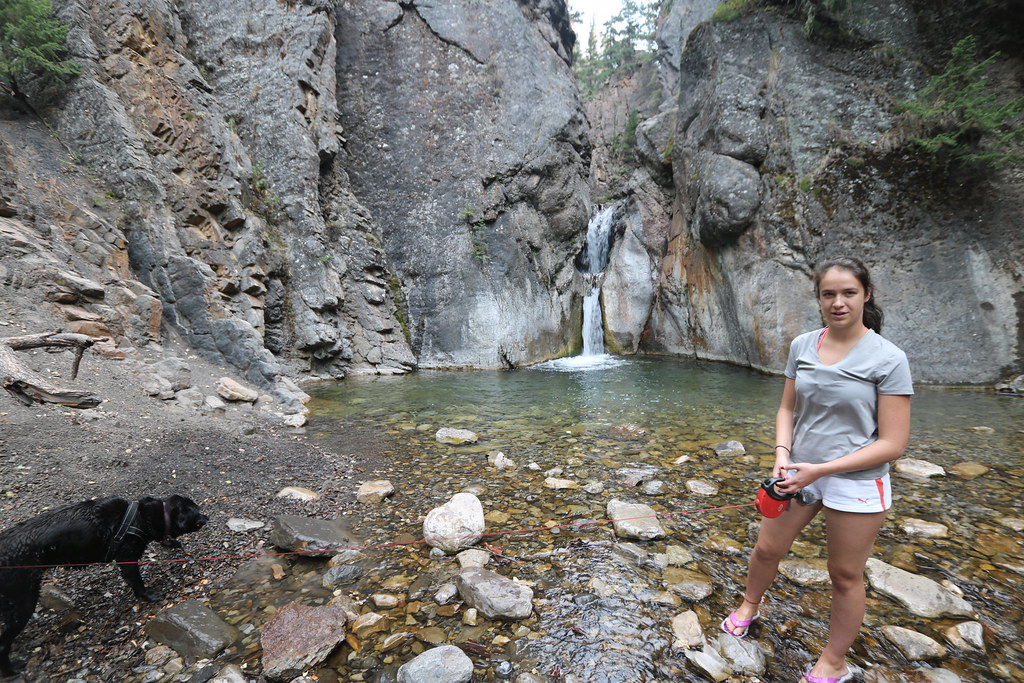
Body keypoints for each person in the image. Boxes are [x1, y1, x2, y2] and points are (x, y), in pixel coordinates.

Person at [721, 256, 913, 683]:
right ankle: (750, 605)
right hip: (798, 472)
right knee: (767, 549)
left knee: (844, 574)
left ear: (867, 294)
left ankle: (834, 661)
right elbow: (788, 407)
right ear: (819, 298)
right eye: (829, 294)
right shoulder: (803, 345)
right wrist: (781, 453)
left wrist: (821, 469)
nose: (838, 302)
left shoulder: (889, 358)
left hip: (857, 482)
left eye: (848, 293)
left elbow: (893, 444)